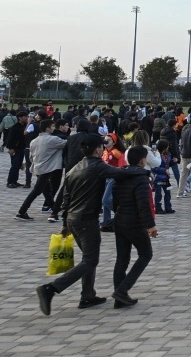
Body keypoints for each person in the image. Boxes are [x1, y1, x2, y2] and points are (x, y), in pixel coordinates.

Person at [35, 134, 146, 316]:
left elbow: (66, 198)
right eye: (101, 147)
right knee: (90, 260)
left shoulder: (73, 169)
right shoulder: (97, 166)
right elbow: (122, 173)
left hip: (73, 219)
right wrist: (143, 171)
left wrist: (65, 223)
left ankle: (87, 295)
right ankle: (51, 289)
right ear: (97, 150)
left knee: (88, 258)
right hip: (87, 220)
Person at [110, 145, 157, 308]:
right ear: (143, 161)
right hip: (134, 222)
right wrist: (150, 225)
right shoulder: (142, 178)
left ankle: (119, 298)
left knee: (122, 258)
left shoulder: (120, 176)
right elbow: (143, 204)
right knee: (145, 254)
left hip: (120, 220)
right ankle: (122, 290)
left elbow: (113, 200)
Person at [15, 119, 67, 221]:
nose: (53, 128)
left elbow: (31, 157)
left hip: (37, 168)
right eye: (52, 126)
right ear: (47, 128)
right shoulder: (52, 140)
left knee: (47, 192)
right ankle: (21, 211)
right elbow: (68, 143)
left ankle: (54, 211)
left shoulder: (34, 141)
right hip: (46, 169)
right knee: (36, 191)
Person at [151, 139, 175, 214]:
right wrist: (164, 170)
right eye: (167, 147)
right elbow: (154, 168)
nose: (168, 148)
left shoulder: (167, 155)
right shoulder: (156, 155)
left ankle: (168, 207)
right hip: (158, 178)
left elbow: (168, 164)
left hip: (165, 178)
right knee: (158, 194)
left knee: (168, 192)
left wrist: (173, 161)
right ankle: (158, 208)